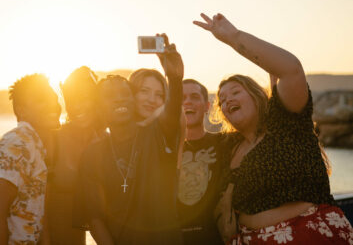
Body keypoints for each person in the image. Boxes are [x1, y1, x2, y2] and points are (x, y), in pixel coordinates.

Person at [194, 13, 353, 244]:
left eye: (235, 92)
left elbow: (291, 69)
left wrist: (233, 37)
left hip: (308, 236)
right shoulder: (228, 145)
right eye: (222, 99)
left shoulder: (287, 123)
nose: (227, 100)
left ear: (258, 96)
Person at [74, 34, 184, 244]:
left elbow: (172, 111)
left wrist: (175, 79)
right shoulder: (92, 154)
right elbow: (95, 218)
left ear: (132, 101)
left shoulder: (159, 134)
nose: (119, 99)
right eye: (110, 96)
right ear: (99, 107)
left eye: (124, 94)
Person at [0, 74, 61, 244]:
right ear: (21, 110)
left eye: (54, 98)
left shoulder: (33, 146)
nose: (53, 105)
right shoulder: (18, 145)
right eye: (42, 100)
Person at [47, 66, 100, 245]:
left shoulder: (105, 143)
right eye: (72, 99)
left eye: (84, 98)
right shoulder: (52, 140)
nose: (77, 106)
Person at [177, 79, 224, 244]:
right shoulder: (162, 150)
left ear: (207, 106)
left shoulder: (224, 143)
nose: (187, 101)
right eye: (181, 98)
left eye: (194, 97)